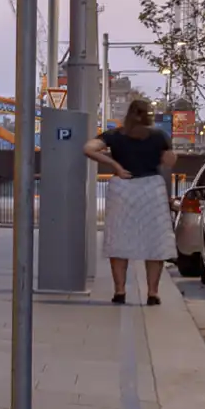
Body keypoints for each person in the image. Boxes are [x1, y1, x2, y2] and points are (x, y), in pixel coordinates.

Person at [86, 97, 173, 304]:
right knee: (155, 242)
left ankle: (120, 291)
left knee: (119, 239)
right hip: (151, 188)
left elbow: (88, 148)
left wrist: (114, 165)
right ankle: (152, 293)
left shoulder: (115, 135)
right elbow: (169, 162)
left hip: (122, 188)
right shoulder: (160, 136)